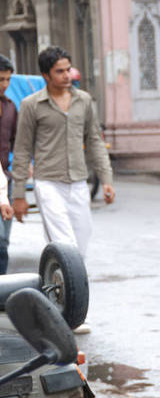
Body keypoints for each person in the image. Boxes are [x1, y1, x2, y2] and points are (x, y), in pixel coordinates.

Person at [12, 46, 115, 334]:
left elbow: (94, 140)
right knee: (65, 245)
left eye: (68, 69)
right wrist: (20, 193)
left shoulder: (84, 101)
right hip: (48, 183)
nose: (67, 75)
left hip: (78, 183)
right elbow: (22, 150)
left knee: (79, 250)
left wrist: (106, 178)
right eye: (59, 71)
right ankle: (71, 318)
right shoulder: (32, 105)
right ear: (46, 75)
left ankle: (55, 303)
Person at [0, 55, 17, 274]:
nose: (4, 85)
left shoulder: (11, 108)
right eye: (0, 79)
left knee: (4, 241)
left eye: (7, 80)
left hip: (6, 179)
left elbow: (17, 142)